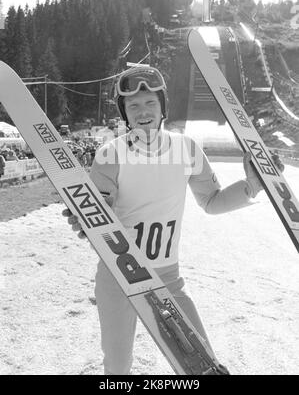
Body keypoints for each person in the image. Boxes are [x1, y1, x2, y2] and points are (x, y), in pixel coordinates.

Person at [63, 66, 284, 375]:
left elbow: (211, 201)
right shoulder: (109, 154)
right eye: (133, 105)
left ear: (163, 105)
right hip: (119, 275)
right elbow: (101, 210)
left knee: (203, 364)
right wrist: (88, 220)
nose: (143, 112)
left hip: (167, 275)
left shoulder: (187, 149)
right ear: (124, 112)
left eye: (150, 102)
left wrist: (251, 186)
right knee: (117, 366)